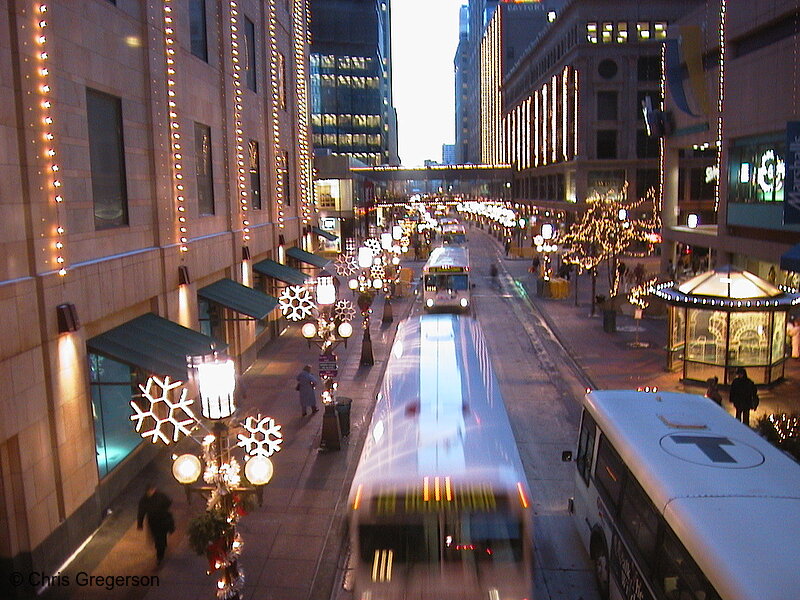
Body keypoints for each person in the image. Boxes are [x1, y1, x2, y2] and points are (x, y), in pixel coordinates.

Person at [137, 483, 175, 566]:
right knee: (159, 537)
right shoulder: (148, 499)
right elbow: (141, 512)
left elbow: (141, 511)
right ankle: (160, 552)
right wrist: (140, 523)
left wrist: (140, 523)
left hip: (160, 520)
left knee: (160, 537)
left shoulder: (148, 499)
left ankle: (160, 555)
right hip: (155, 521)